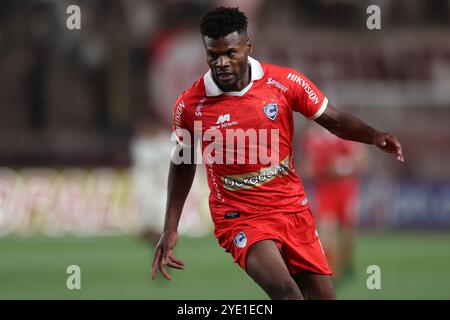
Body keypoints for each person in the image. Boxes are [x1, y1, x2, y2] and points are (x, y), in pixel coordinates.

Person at [151, 7, 404, 300]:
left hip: (291, 208)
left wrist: (373, 136)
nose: (221, 63)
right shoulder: (190, 104)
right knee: (287, 294)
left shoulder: (284, 83)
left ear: (248, 46)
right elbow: (182, 162)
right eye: (212, 55)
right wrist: (170, 227)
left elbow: (333, 120)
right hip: (239, 215)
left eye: (230, 53)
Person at [302, 125, 370, 282]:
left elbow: (363, 160)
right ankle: (333, 273)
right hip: (325, 191)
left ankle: (346, 264)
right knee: (327, 232)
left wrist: (347, 165)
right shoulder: (313, 139)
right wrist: (323, 169)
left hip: (346, 190)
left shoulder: (342, 135)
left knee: (348, 232)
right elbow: (308, 168)